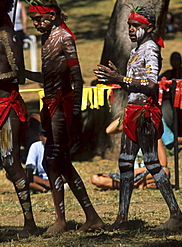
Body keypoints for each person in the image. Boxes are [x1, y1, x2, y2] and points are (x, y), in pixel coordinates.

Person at [94, 5, 182, 230]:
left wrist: (121, 78)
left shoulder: (151, 48)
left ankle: (176, 214)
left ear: (150, 27)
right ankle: (122, 219)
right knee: (125, 163)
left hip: (145, 113)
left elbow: (152, 85)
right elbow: (134, 83)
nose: (131, 30)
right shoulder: (137, 51)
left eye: (136, 26)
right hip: (133, 111)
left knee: (153, 163)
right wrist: (117, 79)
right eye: (129, 26)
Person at [26, 0, 104, 234]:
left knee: (54, 160)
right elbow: (48, 76)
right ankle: (84, 217)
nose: (36, 24)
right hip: (49, 106)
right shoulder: (46, 38)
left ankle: (69, 220)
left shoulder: (64, 38)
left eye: (39, 19)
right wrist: (23, 74)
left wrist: (76, 114)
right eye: (33, 20)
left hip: (61, 107)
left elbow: (77, 78)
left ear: (52, 15)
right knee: (56, 162)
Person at [0, 0, 38, 238]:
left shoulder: (6, 33)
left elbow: (19, 75)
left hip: (7, 107)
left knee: (12, 165)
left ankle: (30, 223)